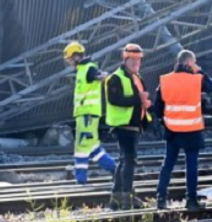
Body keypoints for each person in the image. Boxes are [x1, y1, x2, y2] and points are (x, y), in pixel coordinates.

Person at [153, 49, 212, 211]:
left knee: (167, 165)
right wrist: (200, 71)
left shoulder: (165, 80)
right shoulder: (196, 79)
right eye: (194, 62)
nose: (196, 65)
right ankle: (191, 200)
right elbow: (211, 87)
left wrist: (165, 121)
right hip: (192, 130)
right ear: (188, 63)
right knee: (191, 165)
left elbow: (157, 108)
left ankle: (160, 198)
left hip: (172, 130)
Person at [104, 43, 151, 210]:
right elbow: (114, 100)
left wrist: (145, 104)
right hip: (123, 125)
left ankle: (116, 198)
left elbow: (138, 99)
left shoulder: (137, 78)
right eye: (133, 59)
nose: (136, 63)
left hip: (134, 126)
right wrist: (138, 99)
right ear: (125, 59)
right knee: (129, 161)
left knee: (124, 161)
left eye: (139, 60)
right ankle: (127, 197)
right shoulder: (116, 78)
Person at [63, 41, 117, 184]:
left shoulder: (88, 68)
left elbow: (98, 75)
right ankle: (114, 169)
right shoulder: (83, 69)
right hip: (86, 114)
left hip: (87, 115)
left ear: (76, 56)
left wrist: (104, 76)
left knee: (81, 147)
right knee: (92, 147)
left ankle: (81, 180)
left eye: (69, 59)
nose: (69, 63)